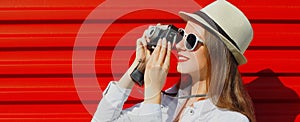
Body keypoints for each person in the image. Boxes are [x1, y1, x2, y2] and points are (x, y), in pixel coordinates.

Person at [92, 0, 255, 122]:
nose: (179, 45)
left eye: (191, 40)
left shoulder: (229, 119)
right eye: (182, 34)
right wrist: (135, 69)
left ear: (217, 54)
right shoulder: (168, 101)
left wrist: (152, 95)